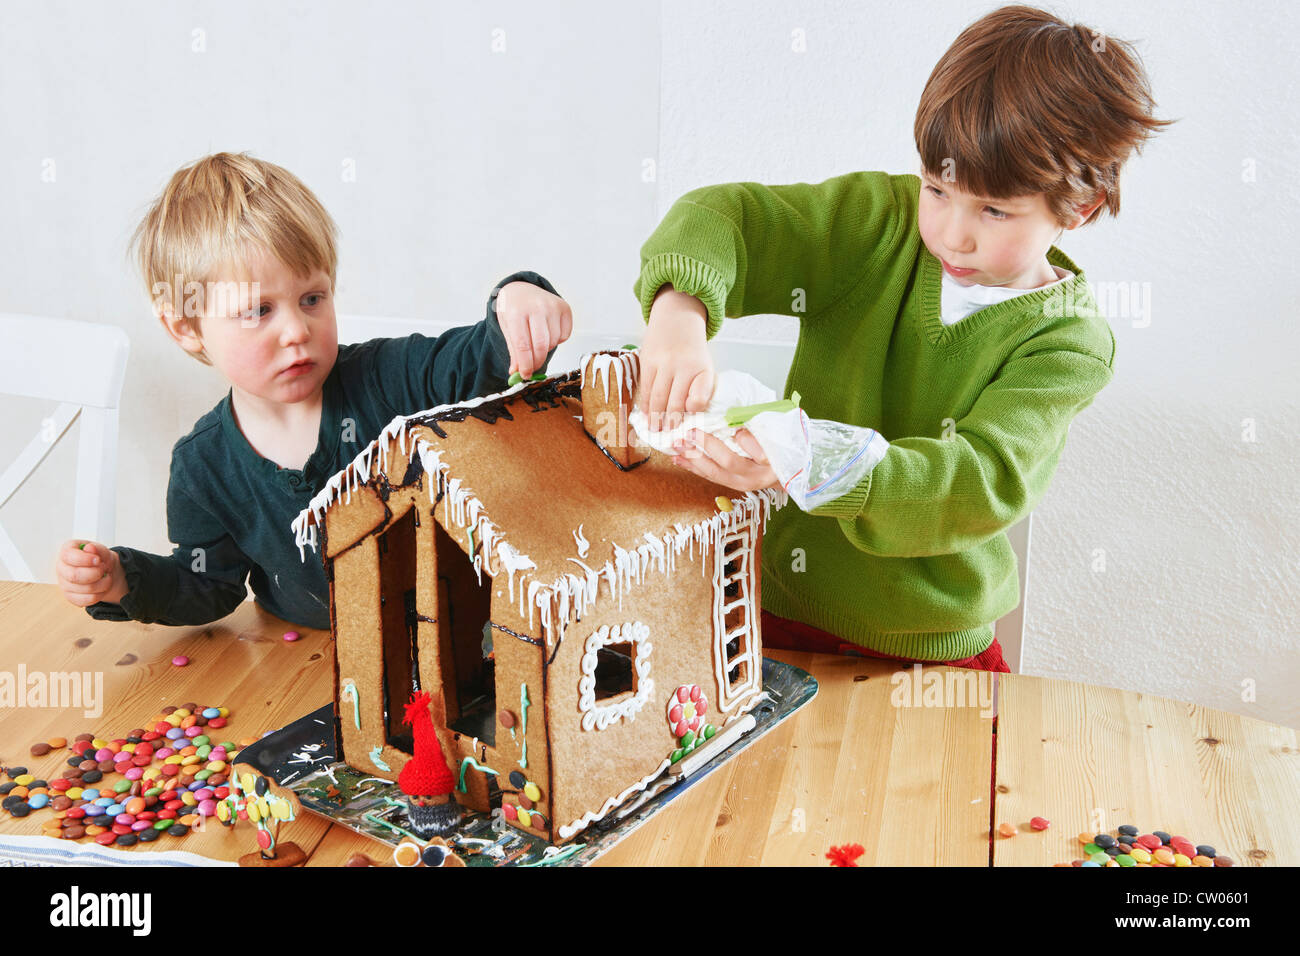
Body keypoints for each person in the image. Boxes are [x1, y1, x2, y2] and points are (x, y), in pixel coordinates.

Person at [632, 5, 1174, 672]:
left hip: (934, 649)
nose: (952, 232)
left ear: (1079, 208)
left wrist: (808, 460)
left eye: (995, 210)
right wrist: (679, 314)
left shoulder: (1067, 342)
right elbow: (725, 218)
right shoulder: (876, 224)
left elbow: (977, 485)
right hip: (778, 613)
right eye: (937, 188)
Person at [55, 152, 573, 630]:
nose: (297, 331)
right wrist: (124, 579)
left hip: (459, 644)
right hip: (306, 662)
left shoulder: (386, 377)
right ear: (187, 328)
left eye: (311, 298)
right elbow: (207, 584)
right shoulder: (203, 467)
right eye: (259, 310)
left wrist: (515, 300)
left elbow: (470, 365)